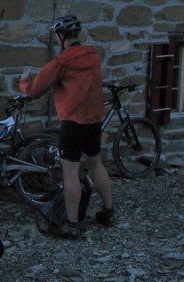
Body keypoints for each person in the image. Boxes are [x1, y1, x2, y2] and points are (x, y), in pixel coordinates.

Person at [19, 14, 114, 239]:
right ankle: (108, 211)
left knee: (70, 172)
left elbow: (35, 90)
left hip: (73, 122)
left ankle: (71, 224)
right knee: (96, 163)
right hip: (94, 120)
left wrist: (24, 81)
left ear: (61, 36)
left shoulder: (63, 61)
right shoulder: (92, 55)